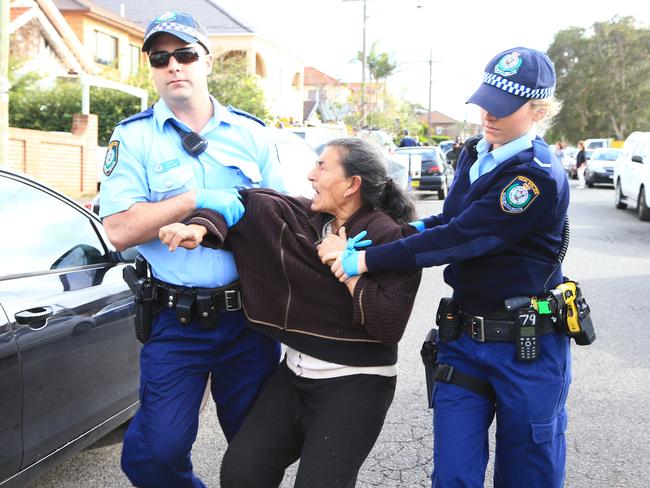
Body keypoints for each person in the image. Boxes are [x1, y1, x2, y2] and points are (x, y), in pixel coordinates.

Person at [321, 47, 571, 487]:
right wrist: (399, 232)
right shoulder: (478, 153)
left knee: (527, 475)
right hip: (465, 339)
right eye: (485, 104)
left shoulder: (534, 178)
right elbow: (449, 219)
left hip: (525, 348)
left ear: (537, 110)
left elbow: (463, 238)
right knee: (453, 474)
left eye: (503, 109)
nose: (488, 117)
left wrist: (363, 259)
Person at [158, 137, 422, 488]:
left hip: (356, 384)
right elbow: (246, 202)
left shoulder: (390, 237)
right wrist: (200, 226)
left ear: (352, 185)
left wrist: (348, 265)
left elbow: (389, 323)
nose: (310, 174)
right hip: (295, 375)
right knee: (242, 472)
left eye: (322, 166)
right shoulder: (308, 217)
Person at [99, 11, 285, 488]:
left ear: (206, 61)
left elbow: (285, 220)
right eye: (160, 58)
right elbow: (118, 230)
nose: (173, 66)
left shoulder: (253, 134)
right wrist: (191, 200)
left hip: (248, 318)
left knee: (257, 452)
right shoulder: (133, 136)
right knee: (154, 454)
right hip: (174, 320)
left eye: (184, 54)